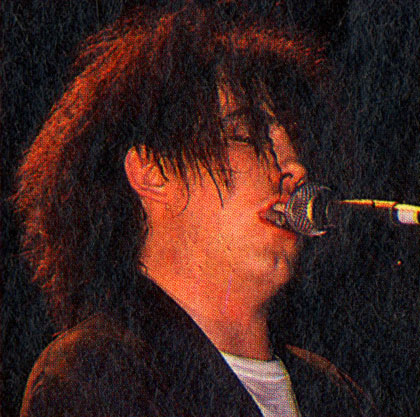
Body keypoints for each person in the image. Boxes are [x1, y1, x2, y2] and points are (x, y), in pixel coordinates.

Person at [15, 2, 381, 416]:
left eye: (288, 140)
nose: (294, 167)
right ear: (154, 174)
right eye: (245, 134)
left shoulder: (333, 393)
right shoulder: (95, 372)